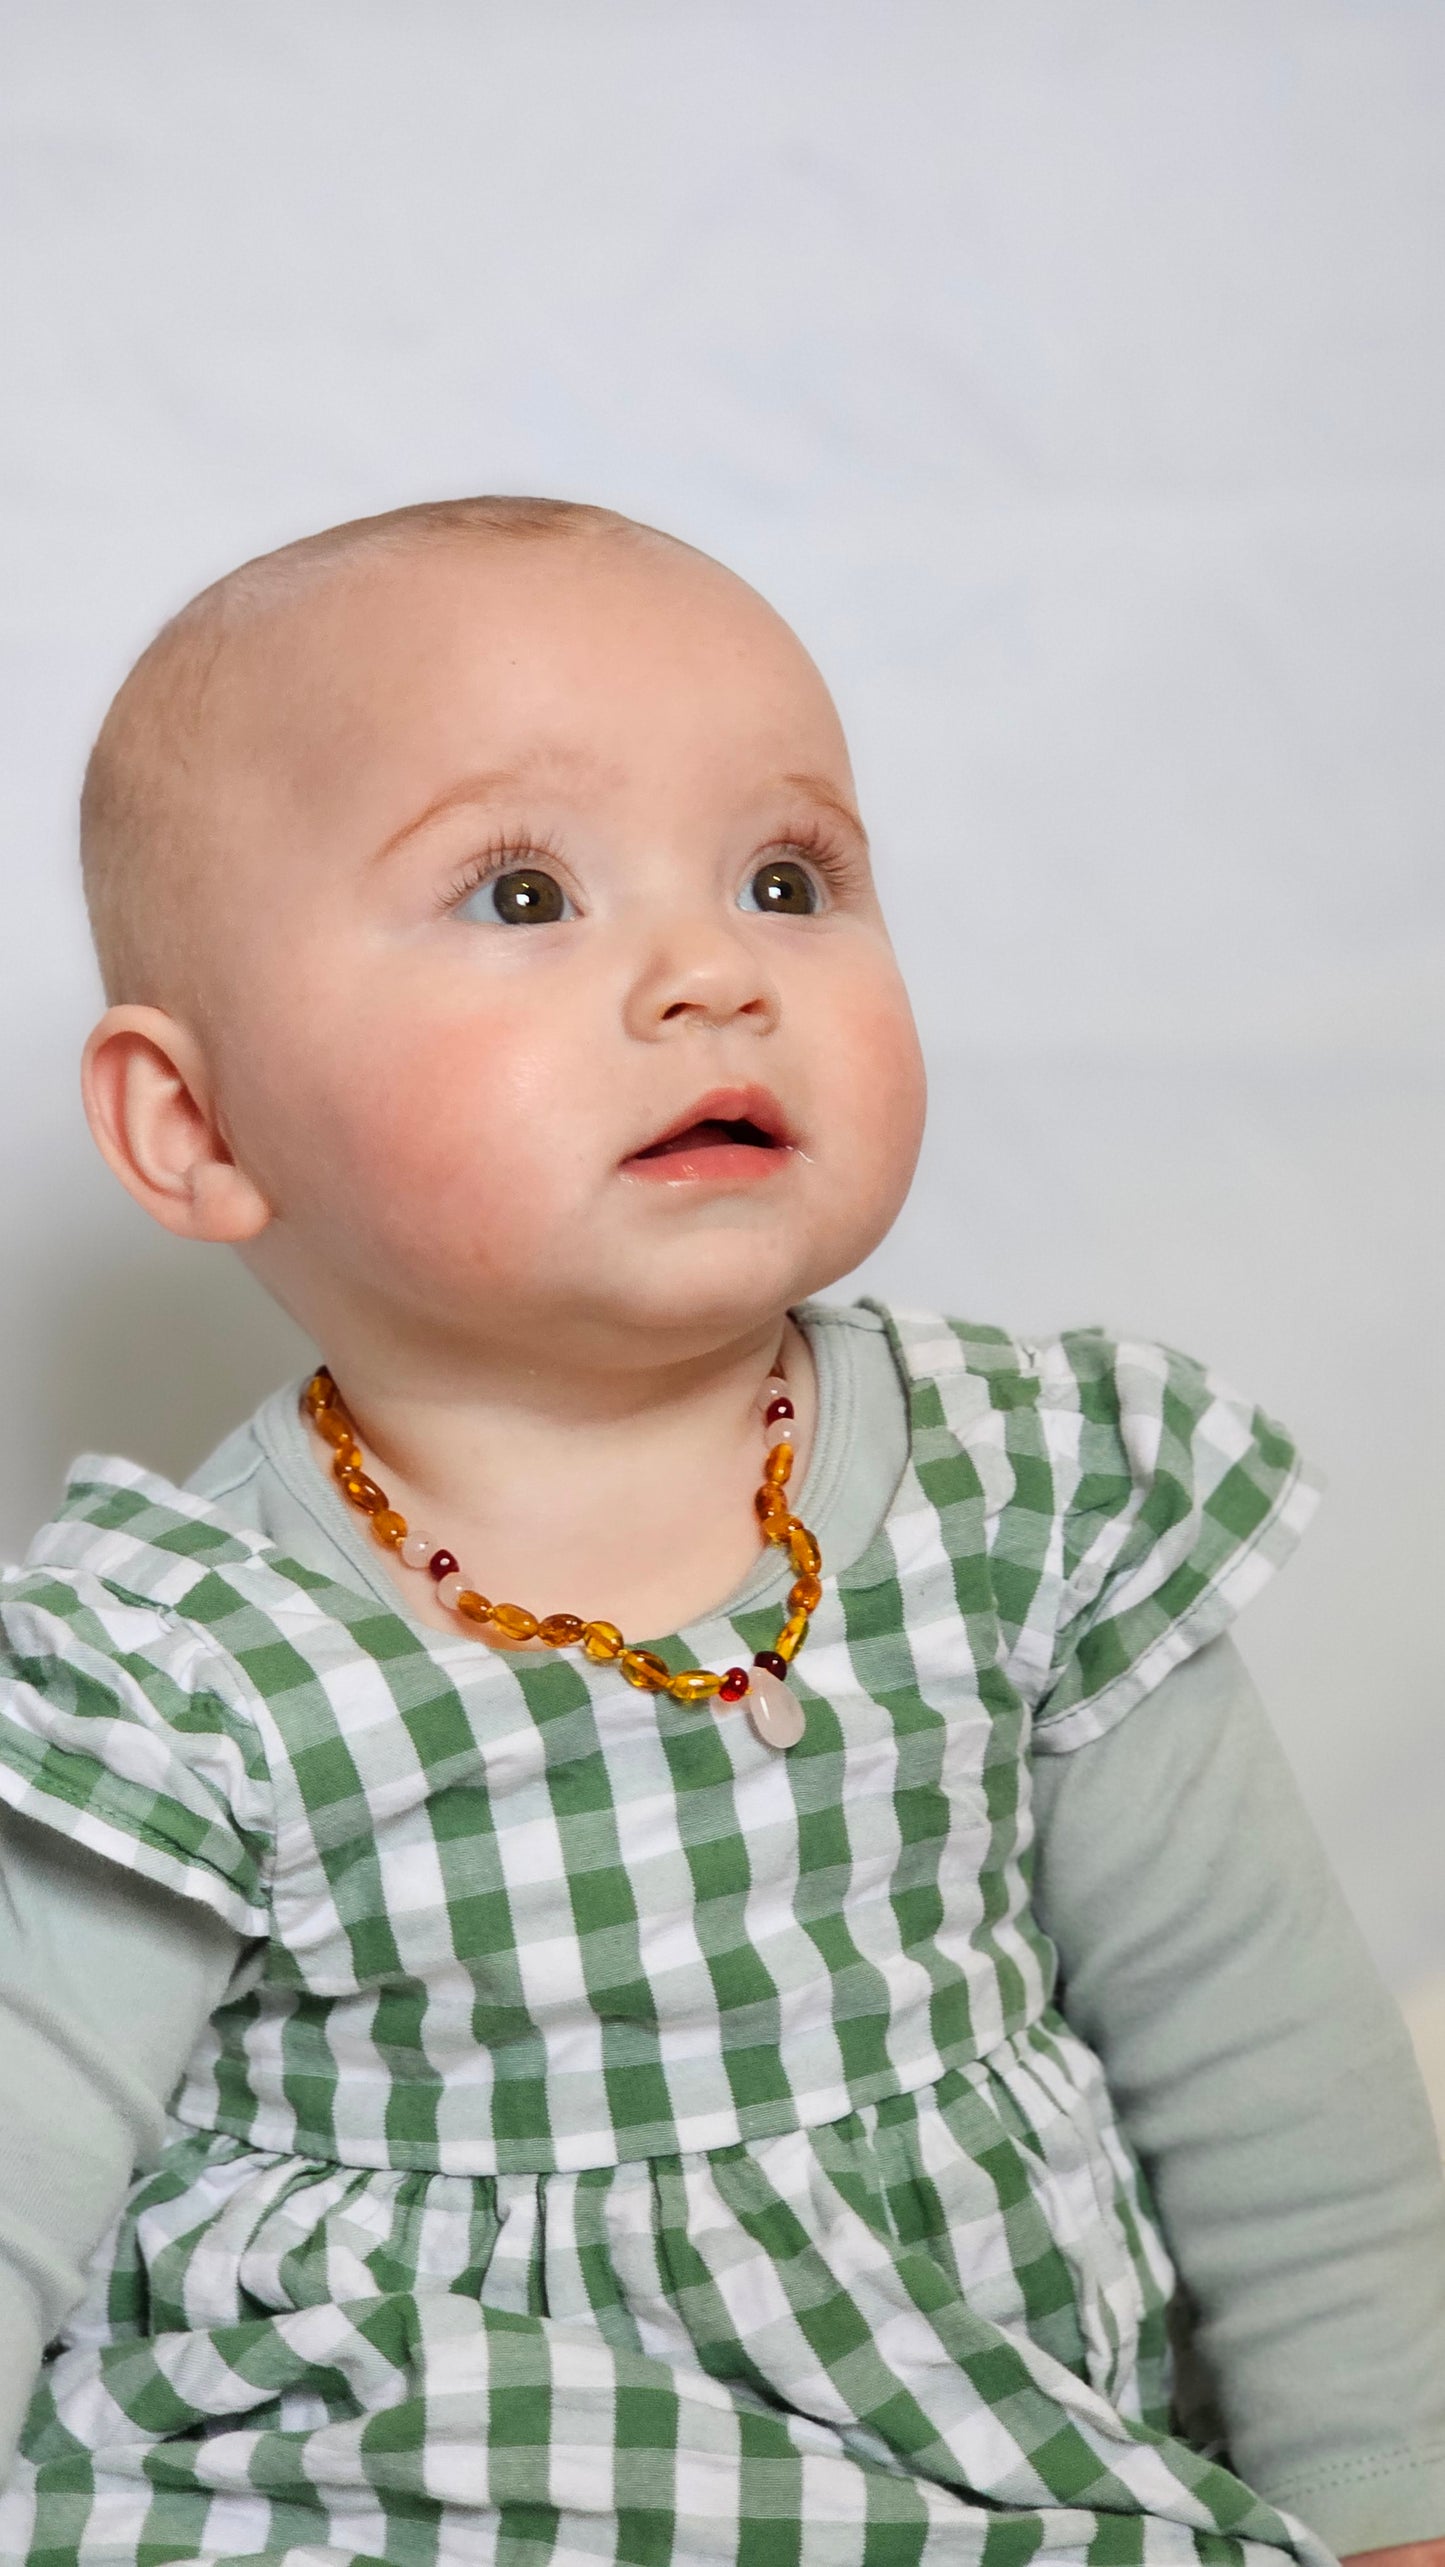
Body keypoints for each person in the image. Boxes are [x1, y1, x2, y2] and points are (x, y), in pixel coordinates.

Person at [0, 496, 1440, 2567]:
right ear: (197, 1128)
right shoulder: (184, 1653)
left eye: (788, 877)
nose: (710, 975)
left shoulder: (1033, 1495)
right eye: (521, 891)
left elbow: (1270, 2068)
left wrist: (1389, 2490)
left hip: (986, 2451)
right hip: (403, 2470)